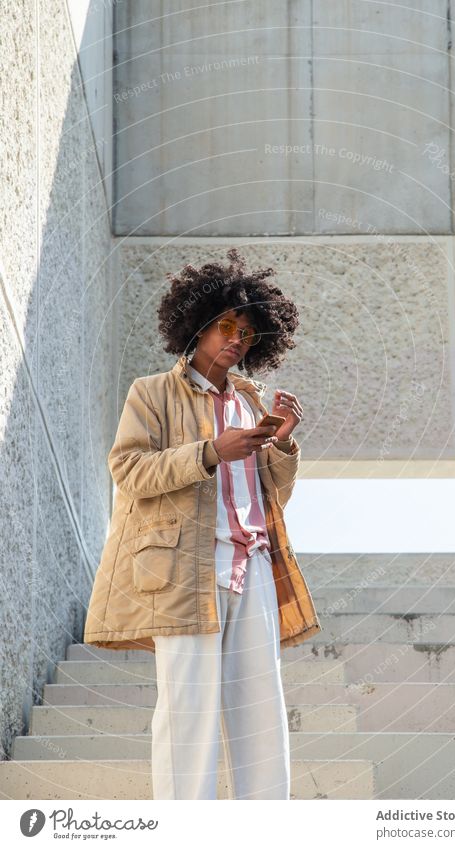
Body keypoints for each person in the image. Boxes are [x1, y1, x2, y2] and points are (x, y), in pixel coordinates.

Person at [83, 248, 322, 800]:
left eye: (248, 333)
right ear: (198, 328)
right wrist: (210, 452)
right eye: (226, 326)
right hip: (187, 566)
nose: (237, 338)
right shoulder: (152, 393)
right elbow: (128, 469)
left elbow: (271, 496)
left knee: (261, 709)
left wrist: (281, 441)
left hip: (254, 564)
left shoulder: (249, 402)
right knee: (188, 710)